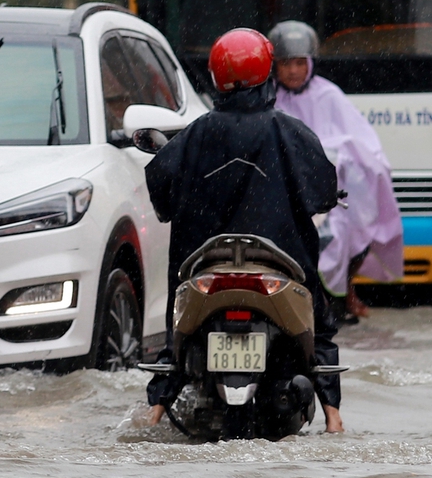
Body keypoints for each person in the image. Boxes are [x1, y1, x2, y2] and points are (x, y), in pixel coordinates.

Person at [142, 28, 346, 432]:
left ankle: (153, 413)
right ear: (267, 71)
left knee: (174, 338)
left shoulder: (196, 134)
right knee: (319, 323)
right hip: (281, 269)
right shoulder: (290, 131)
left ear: (216, 76)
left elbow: (161, 193)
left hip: (204, 271)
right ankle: (334, 416)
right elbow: (323, 192)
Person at [267, 20, 404, 321]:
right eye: (286, 63)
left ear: (311, 63)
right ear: (274, 65)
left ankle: (344, 294)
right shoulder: (267, 99)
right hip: (287, 193)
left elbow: (363, 144)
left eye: (300, 63)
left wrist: (335, 158)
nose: (293, 71)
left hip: (333, 192)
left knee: (348, 229)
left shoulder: (329, 95)